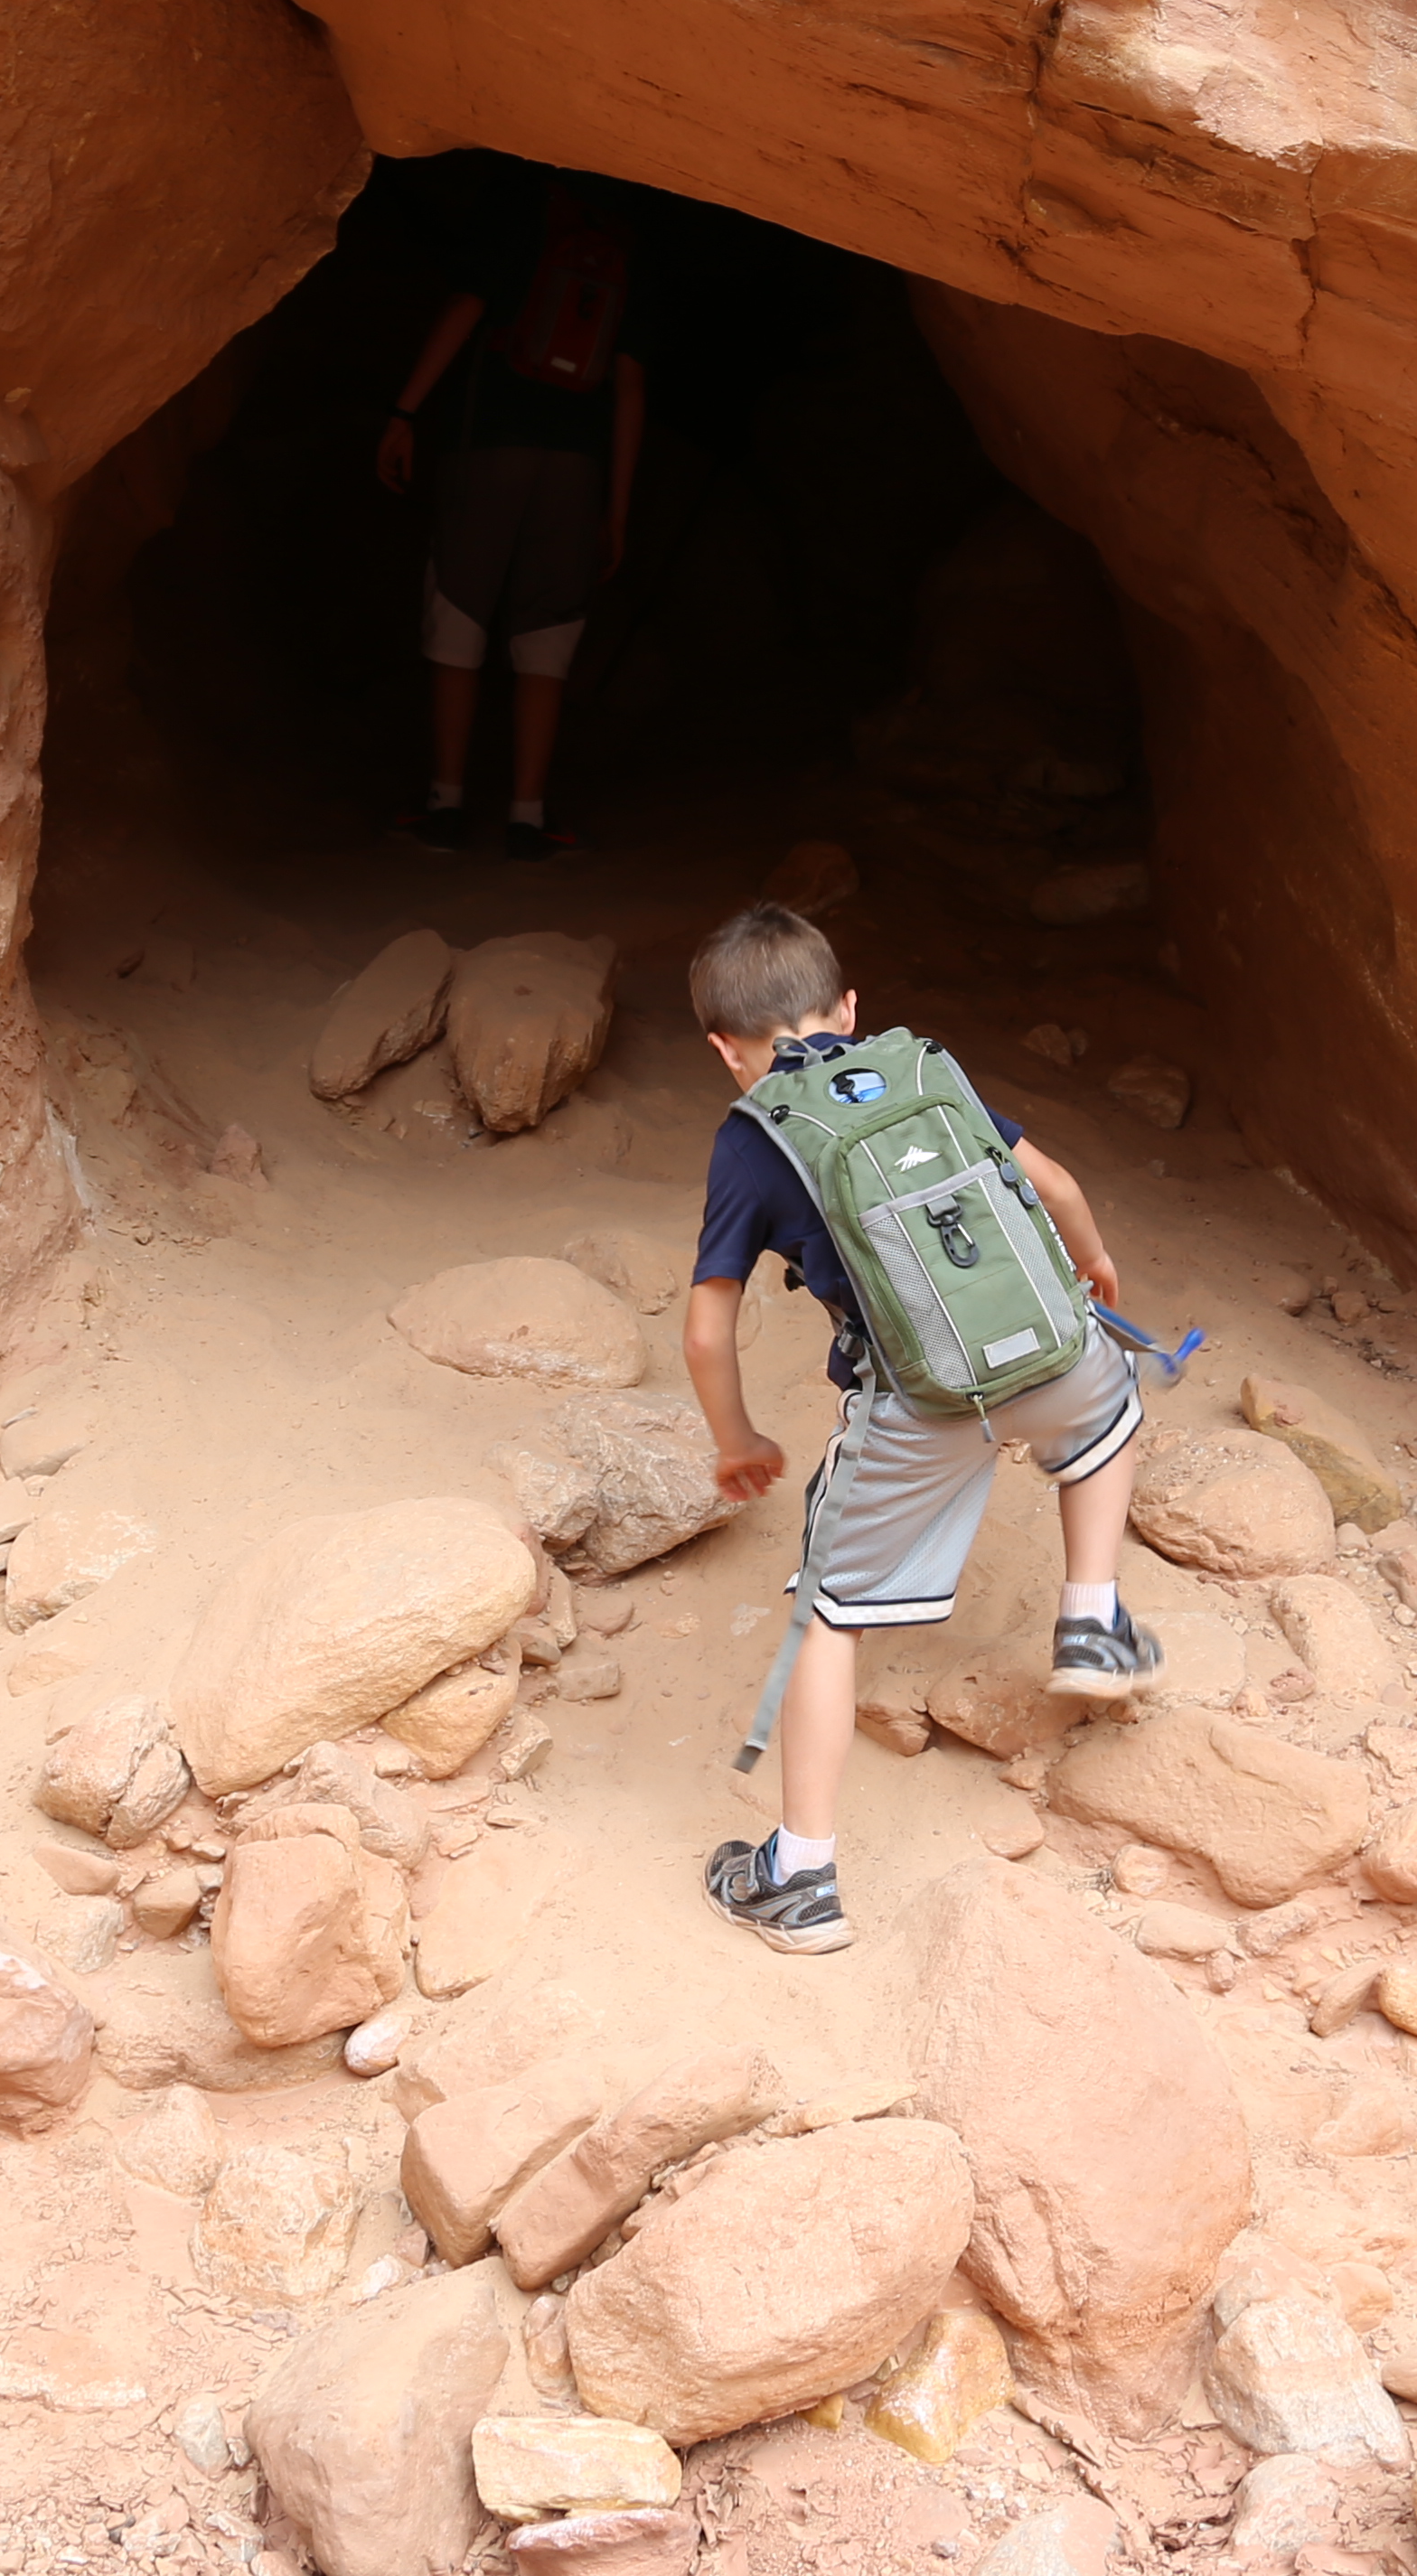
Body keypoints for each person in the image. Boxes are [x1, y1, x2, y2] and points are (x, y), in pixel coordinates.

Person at [672, 901, 1158, 1953]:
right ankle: (1094, 1615)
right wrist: (1093, 1266)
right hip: (1054, 1351)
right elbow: (1057, 1185)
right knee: (1109, 1412)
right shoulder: (926, 1068)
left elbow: (708, 1333)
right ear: (850, 1007)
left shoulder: (752, 1141)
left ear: (727, 1052)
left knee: (828, 1616)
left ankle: (798, 1877)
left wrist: (739, 1441)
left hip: (922, 1403)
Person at [371, 176, 647, 860]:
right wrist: (616, 511)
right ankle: (528, 817)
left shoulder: (521, 201)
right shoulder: (621, 229)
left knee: (459, 615)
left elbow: (469, 304)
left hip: (489, 444)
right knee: (548, 639)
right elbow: (631, 385)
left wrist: (403, 413)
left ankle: (446, 806)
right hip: (576, 464)